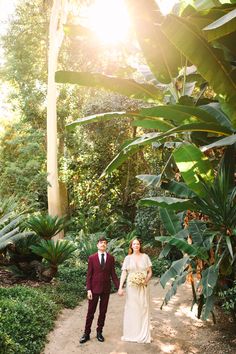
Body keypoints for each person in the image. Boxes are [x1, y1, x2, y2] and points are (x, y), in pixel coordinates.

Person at [80, 237, 119, 344]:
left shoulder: (111, 258)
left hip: (106, 290)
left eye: (105, 243)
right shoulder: (92, 258)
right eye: (101, 243)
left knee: (103, 312)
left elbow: (113, 274)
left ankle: (99, 332)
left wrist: (119, 287)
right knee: (90, 313)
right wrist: (88, 290)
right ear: (97, 245)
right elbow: (89, 275)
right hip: (94, 289)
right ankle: (86, 334)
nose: (103, 244)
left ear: (106, 245)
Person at [118, 238, 152, 343]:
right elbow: (124, 273)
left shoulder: (145, 257)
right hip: (131, 286)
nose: (136, 245)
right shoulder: (128, 258)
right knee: (132, 308)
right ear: (131, 246)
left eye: (137, 244)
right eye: (134, 244)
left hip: (143, 286)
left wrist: (145, 281)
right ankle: (131, 334)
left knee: (143, 307)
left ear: (140, 246)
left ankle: (143, 334)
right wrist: (120, 287)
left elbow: (150, 272)